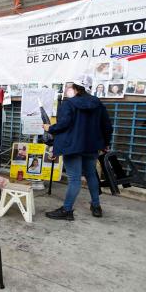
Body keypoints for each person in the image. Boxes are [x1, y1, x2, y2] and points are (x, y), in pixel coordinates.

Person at [43, 75, 113, 220]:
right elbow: (107, 126)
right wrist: (106, 143)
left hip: (73, 147)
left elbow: (64, 124)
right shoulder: (97, 103)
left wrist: (50, 128)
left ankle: (67, 210)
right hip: (92, 146)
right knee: (91, 175)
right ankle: (96, 206)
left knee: (74, 179)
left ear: (75, 88)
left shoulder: (69, 104)